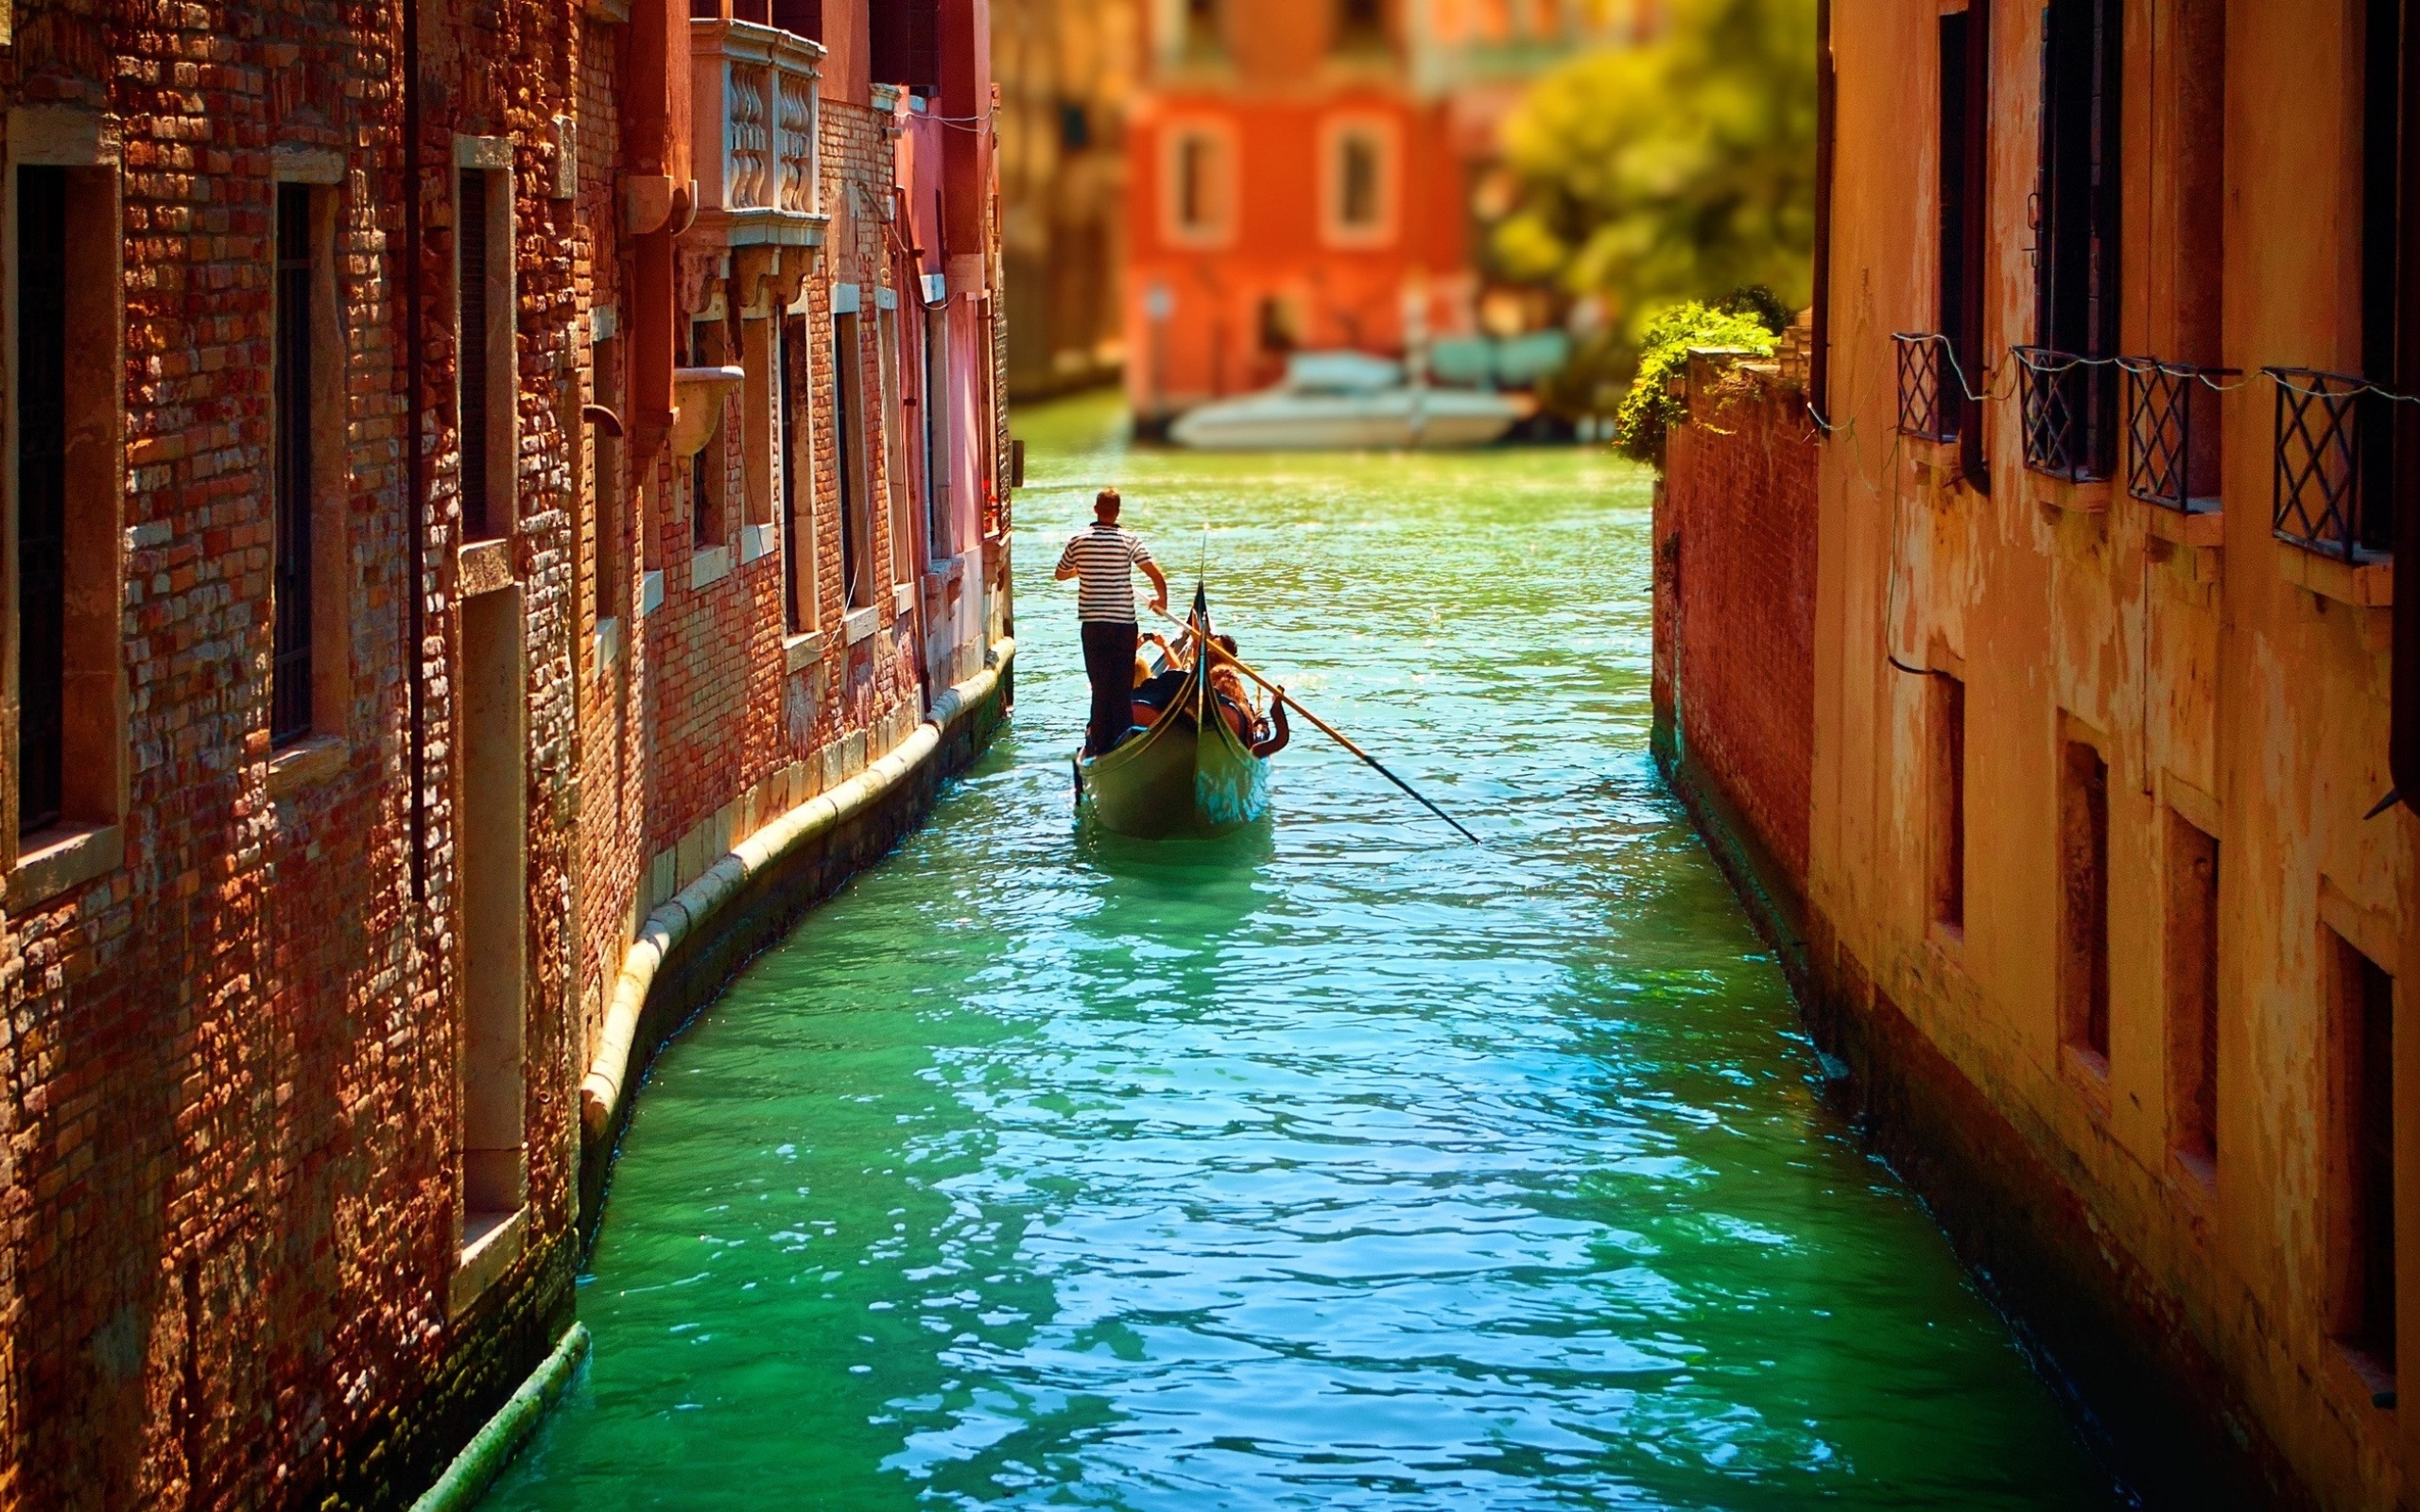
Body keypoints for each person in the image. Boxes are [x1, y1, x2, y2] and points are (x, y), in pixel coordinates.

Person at [1055, 488, 1168, 755]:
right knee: (1121, 685)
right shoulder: (1130, 540)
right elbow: (1154, 573)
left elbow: (1060, 574)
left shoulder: (1078, 540)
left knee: (1099, 685)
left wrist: (1079, 570)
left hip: (1094, 625)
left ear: (1096, 509)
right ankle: (1124, 736)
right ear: (1117, 512)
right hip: (1123, 624)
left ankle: (1100, 743)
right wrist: (1161, 600)